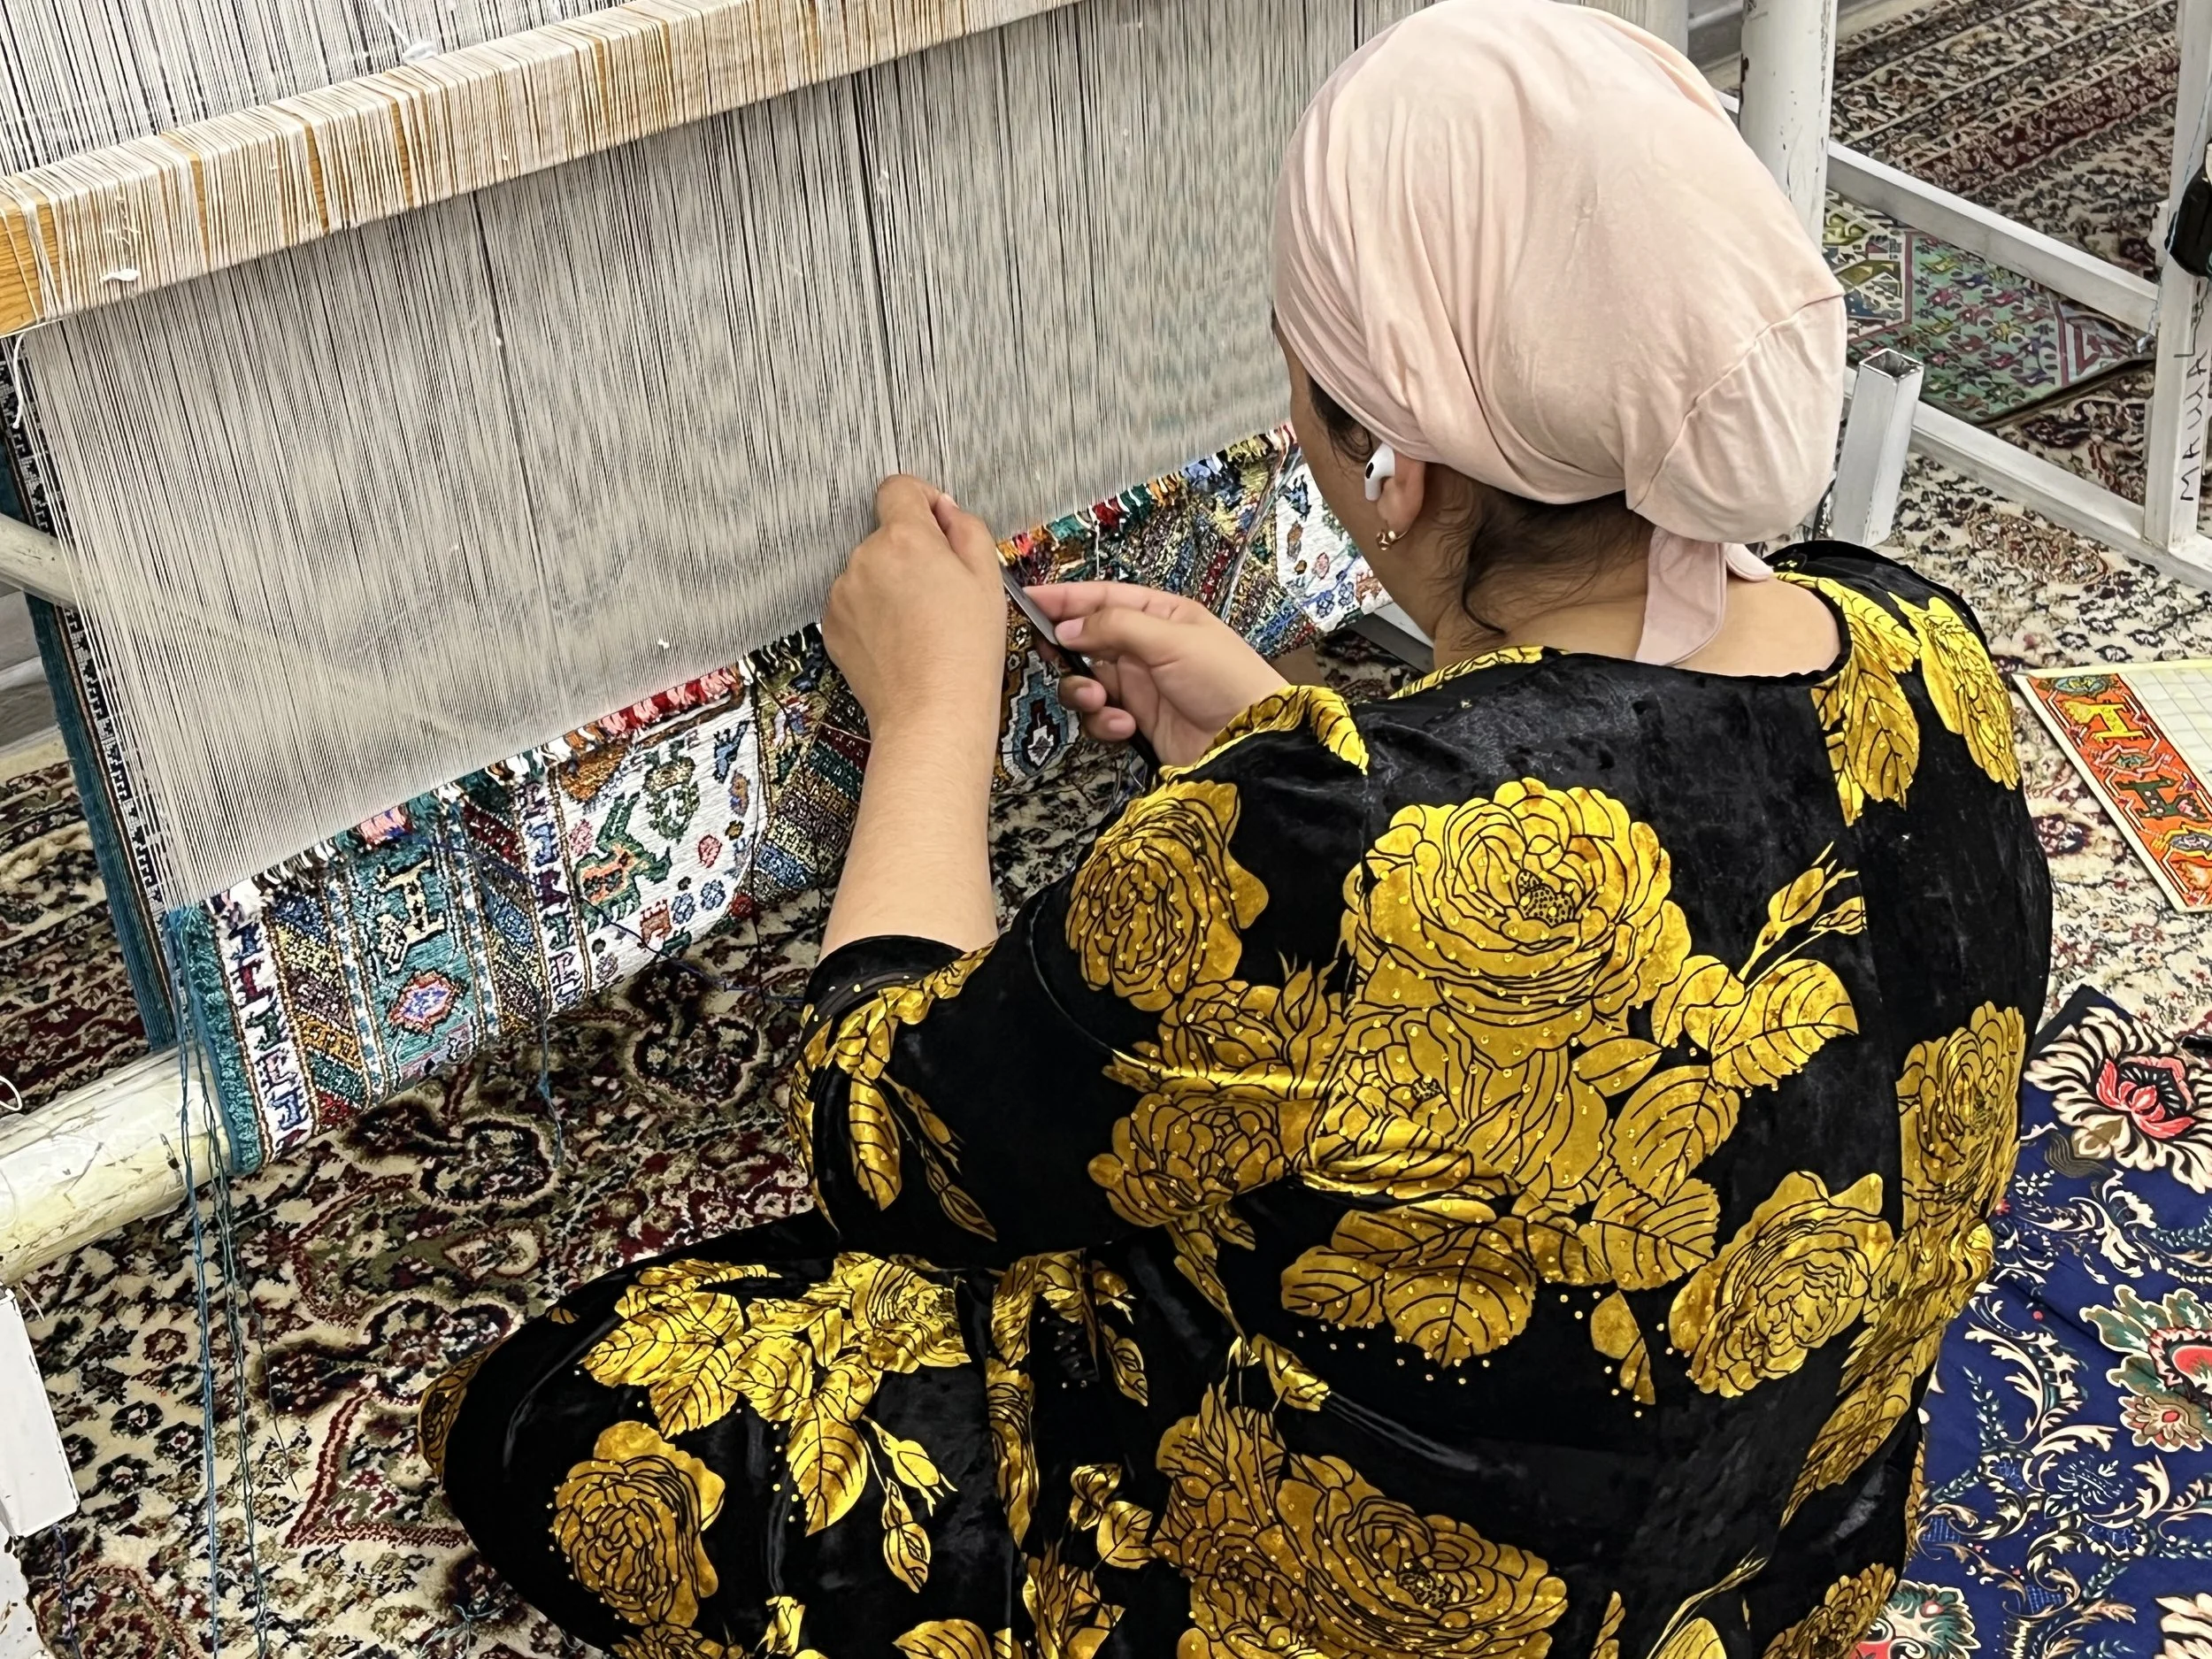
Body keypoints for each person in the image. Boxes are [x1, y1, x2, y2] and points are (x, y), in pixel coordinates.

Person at [426, 4, 2051, 1655]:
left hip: (1320, 1609)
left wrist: (933, 715)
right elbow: (1651, 789)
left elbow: (883, 1143)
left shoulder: (1336, 843)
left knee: (561, 1412)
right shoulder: (1930, 654)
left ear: (1393, 467)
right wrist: (1276, 745)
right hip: (1762, 1581)